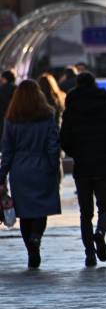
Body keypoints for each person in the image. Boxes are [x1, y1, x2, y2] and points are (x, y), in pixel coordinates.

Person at [60, 72, 106, 267]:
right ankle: (100, 232)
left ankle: (89, 254)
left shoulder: (71, 109)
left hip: (82, 167)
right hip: (104, 165)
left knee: (85, 213)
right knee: (105, 208)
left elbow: (64, 139)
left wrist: (77, 153)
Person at [0, 80, 61, 268]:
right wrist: (53, 166)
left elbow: (7, 150)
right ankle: (36, 237)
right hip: (42, 166)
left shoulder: (11, 119)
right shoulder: (47, 116)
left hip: (20, 169)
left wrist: (2, 175)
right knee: (41, 209)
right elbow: (53, 145)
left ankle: (30, 250)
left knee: (24, 213)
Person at [0, 70, 17, 139]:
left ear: (5, 79)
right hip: (14, 120)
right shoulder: (18, 89)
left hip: (2, 119)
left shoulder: (1, 89)